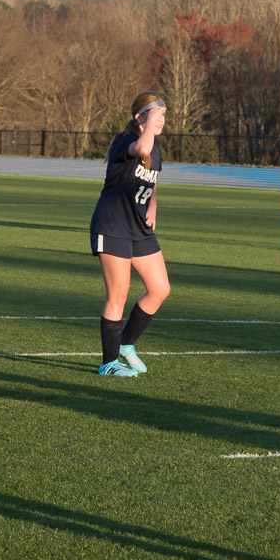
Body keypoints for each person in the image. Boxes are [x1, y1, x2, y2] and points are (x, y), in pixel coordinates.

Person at [88, 91, 170, 377]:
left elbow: (153, 177)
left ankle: (125, 345)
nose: (162, 118)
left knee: (160, 289)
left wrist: (154, 205)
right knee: (118, 296)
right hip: (112, 225)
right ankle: (108, 363)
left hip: (139, 227)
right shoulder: (126, 140)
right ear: (140, 117)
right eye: (157, 113)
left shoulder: (155, 145)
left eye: (164, 114)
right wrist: (148, 122)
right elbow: (142, 150)